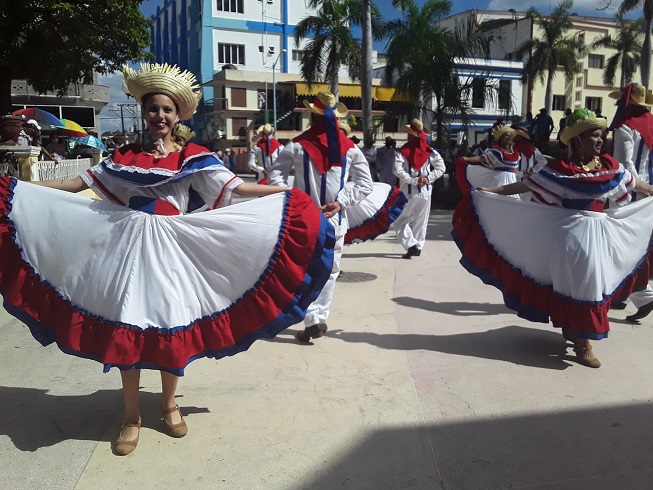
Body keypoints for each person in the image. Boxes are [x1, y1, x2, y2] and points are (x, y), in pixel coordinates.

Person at [0, 63, 335, 456]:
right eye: (153, 109)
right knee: (129, 325)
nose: (159, 116)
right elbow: (77, 184)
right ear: (144, 112)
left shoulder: (195, 156)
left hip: (175, 250)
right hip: (129, 252)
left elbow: (237, 188)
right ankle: (131, 416)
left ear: (178, 116)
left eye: (167, 110)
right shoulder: (124, 156)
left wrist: (289, 197)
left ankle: (168, 404)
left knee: (170, 326)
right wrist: (20, 189)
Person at [453, 108, 653, 368]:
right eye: (594, 135)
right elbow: (524, 186)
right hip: (570, 234)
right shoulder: (560, 169)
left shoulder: (607, 166)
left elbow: (636, 183)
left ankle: (575, 328)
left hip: (601, 232)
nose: (600, 140)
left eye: (601, 135)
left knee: (594, 284)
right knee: (581, 284)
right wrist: (489, 191)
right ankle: (583, 342)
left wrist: (651, 189)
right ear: (577, 139)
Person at [268, 91, 373, 342]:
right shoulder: (350, 150)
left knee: (300, 269)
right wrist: (340, 202)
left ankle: (310, 317)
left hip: (303, 222)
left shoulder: (295, 145)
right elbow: (365, 184)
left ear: (312, 117)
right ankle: (318, 316)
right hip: (335, 221)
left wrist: (293, 199)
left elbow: (275, 178)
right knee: (331, 270)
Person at [609, 82, 653, 321]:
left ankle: (642, 294)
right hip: (646, 190)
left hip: (628, 191)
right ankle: (620, 296)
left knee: (621, 242)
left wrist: (637, 187)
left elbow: (624, 165)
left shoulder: (625, 128)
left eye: (620, 100)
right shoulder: (650, 124)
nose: (617, 104)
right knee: (636, 242)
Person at [393, 119, 445, 259]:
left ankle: (412, 245)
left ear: (411, 135)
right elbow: (441, 167)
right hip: (426, 191)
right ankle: (418, 246)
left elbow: (397, 170)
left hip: (408, 192)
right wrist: (428, 178)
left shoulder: (403, 151)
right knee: (421, 221)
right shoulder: (430, 151)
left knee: (399, 220)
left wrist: (414, 180)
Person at [456, 125, 520, 196]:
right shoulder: (497, 151)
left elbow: (515, 168)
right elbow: (482, 158)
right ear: (501, 138)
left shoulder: (515, 152)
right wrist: (466, 159)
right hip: (500, 179)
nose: (509, 137)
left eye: (511, 136)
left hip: (512, 179)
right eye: (506, 135)